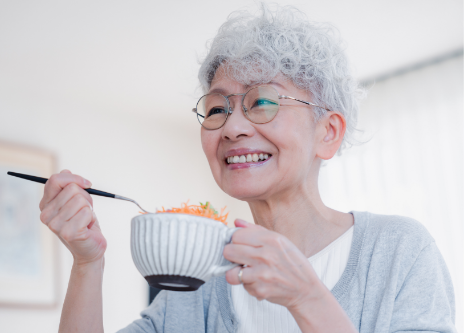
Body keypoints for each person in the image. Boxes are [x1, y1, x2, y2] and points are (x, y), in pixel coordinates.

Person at [38, 4, 456, 333]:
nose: (233, 127)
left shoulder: (399, 251)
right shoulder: (200, 271)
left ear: (328, 133)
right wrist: (87, 263)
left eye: (262, 101)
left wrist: (308, 298)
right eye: (218, 108)